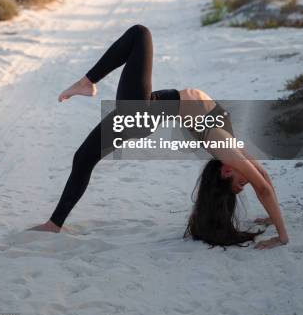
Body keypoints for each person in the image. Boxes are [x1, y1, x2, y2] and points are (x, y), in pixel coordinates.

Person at [30, 24, 289, 249]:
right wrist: (271, 219)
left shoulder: (224, 149)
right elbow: (263, 178)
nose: (249, 179)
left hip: (144, 112)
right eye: (244, 185)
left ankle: (87, 82)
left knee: (140, 34)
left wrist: (282, 237)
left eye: (241, 183)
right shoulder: (232, 150)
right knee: (84, 157)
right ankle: (55, 224)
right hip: (147, 112)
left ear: (226, 172)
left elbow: (262, 187)